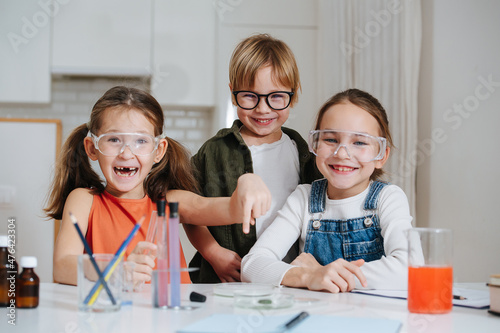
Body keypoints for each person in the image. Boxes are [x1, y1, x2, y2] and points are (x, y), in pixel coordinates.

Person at [45, 86, 271, 286]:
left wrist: (247, 181)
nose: (126, 153)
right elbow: (62, 267)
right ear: (92, 148)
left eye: (141, 141)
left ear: (158, 151)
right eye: (114, 139)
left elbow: (229, 209)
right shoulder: (84, 200)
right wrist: (116, 271)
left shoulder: (170, 202)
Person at [241, 88, 413, 293]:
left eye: (359, 142)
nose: (342, 154)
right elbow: (252, 266)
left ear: (381, 156)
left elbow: (410, 270)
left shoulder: (388, 199)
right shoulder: (303, 199)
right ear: (315, 144)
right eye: (330, 139)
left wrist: (323, 272)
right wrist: (309, 275)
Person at [185, 33, 321, 283]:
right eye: (250, 96)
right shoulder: (213, 151)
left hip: (288, 281)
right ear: (232, 92)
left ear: (294, 94)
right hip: (226, 282)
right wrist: (213, 253)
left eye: (277, 97)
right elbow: (188, 210)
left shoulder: (305, 153)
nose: (263, 108)